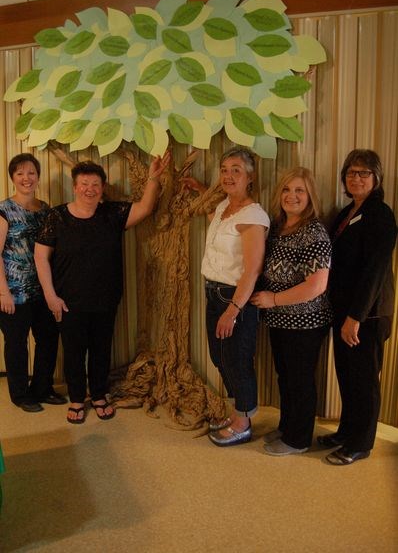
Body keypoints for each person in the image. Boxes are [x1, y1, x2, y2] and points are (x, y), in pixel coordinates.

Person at [34, 151, 170, 424]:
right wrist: (50, 295)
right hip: (67, 301)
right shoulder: (57, 217)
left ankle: (98, 395)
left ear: (102, 188)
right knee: (73, 352)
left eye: (95, 185)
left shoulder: (112, 213)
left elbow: (145, 208)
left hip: (105, 300)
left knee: (101, 349)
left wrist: (154, 178)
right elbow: (40, 257)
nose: (89, 189)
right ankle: (75, 398)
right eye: (84, 184)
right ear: (75, 187)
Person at [183, 146, 270, 446]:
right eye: (225, 170)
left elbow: (253, 270)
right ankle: (237, 413)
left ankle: (243, 422)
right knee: (219, 357)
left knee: (237, 360)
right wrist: (200, 189)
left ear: (250, 177)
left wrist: (233, 309)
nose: (229, 176)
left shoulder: (253, 216)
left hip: (235, 298)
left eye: (237, 170)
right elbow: (216, 220)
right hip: (213, 293)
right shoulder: (224, 207)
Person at [319, 149, 397, 465]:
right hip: (344, 311)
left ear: (376, 178)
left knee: (363, 379)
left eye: (364, 173)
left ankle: (361, 443)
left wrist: (356, 317)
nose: (356, 178)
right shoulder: (348, 211)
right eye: (351, 172)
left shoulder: (381, 214)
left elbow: (375, 270)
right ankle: (346, 431)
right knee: (347, 376)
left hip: (368, 313)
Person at [251, 167, 332, 456]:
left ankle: (298, 440)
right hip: (280, 320)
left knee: (299, 379)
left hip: (305, 321)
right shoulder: (278, 225)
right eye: (286, 189)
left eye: (299, 190)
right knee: (284, 376)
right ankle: (288, 426)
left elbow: (316, 285)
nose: (292, 196)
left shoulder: (313, 232)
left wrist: (273, 299)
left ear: (310, 196)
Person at [0, 153, 66, 412]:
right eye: (20, 173)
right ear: (13, 178)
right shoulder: (4, 210)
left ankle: (42, 387)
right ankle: (20, 394)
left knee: (48, 338)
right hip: (13, 291)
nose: (26, 178)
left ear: (38, 176)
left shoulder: (45, 209)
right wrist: (3, 292)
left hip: (43, 289)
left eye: (31, 173)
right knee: (16, 343)